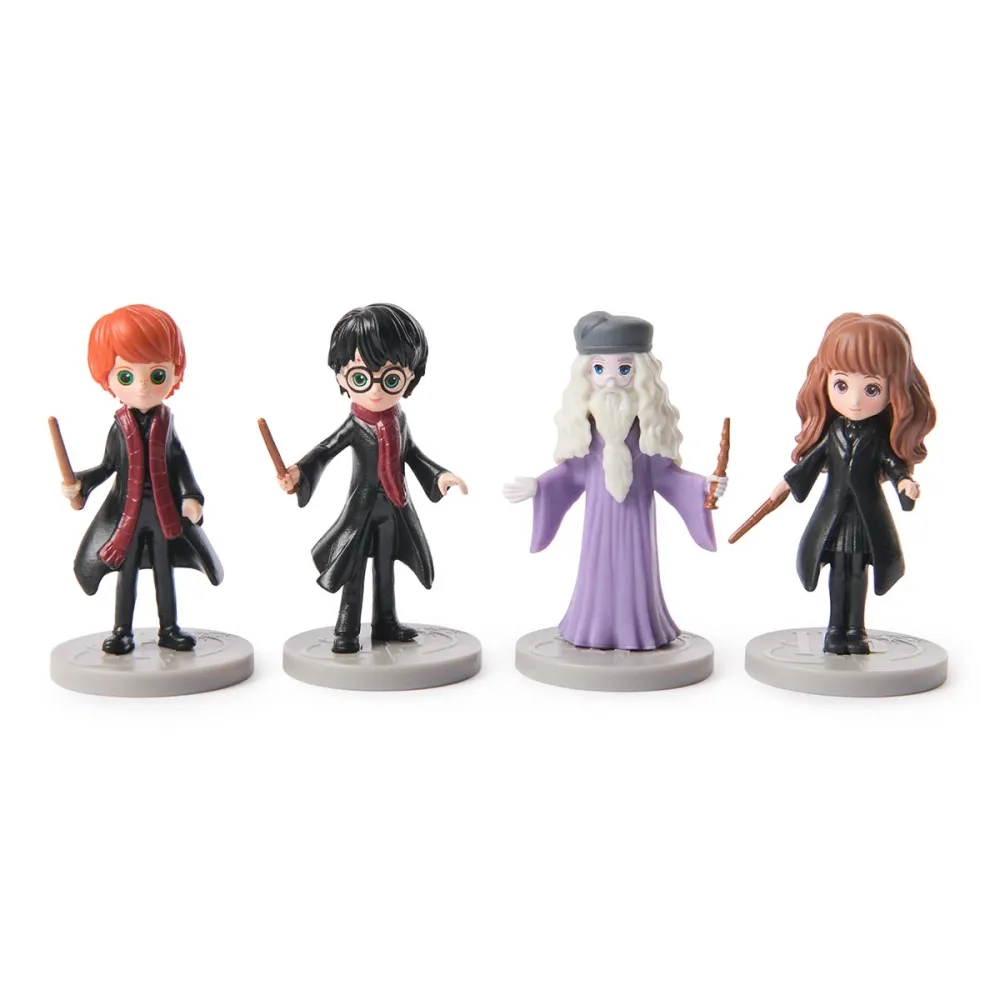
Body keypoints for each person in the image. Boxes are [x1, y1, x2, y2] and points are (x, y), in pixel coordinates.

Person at [504, 311, 726, 651]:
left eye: (623, 369)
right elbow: (572, 474)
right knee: (598, 574)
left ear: (641, 374)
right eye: (599, 369)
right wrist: (539, 487)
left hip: (637, 522)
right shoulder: (586, 432)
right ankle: (591, 628)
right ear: (586, 374)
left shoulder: (647, 432)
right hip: (599, 524)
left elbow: (668, 476)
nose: (610, 380)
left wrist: (703, 486)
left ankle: (640, 629)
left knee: (636, 574)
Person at [277, 303, 467, 654]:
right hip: (361, 512)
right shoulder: (355, 424)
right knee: (353, 572)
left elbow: (414, 455)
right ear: (341, 377)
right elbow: (324, 451)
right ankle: (346, 631)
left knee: (385, 568)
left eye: (390, 379)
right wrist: (299, 473)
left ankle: (386, 621)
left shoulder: (399, 421)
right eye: (361, 378)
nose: (376, 391)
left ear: (411, 377)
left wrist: (439, 476)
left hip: (394, 509)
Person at [769, 313, 936, 654]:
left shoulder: (878, 436)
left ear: (892, 390)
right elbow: (811, 462)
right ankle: (836, 629)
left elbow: (893, 464)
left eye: (871, 389)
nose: (856, 401)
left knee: (858, 574)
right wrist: (786, 483)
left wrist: (905, 482)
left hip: (865, 517)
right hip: (833, 516)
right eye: (842, 385)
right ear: (826, 381)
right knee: (837, 574)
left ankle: (855, 630)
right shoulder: (833, 432)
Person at [64, 304, 222, 655]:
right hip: (128, 518)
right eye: (126, 376)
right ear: (107, 378)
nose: (141, 386)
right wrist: (81, 483)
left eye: (156, 374)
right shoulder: (119, 428)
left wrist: (191, 497)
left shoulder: (167, 425)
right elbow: (108, 466)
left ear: (174, 373)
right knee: (128, 573)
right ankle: (122, 631)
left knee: (165, 573)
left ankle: (169, 629)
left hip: (164, 515)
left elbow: (180, 464)